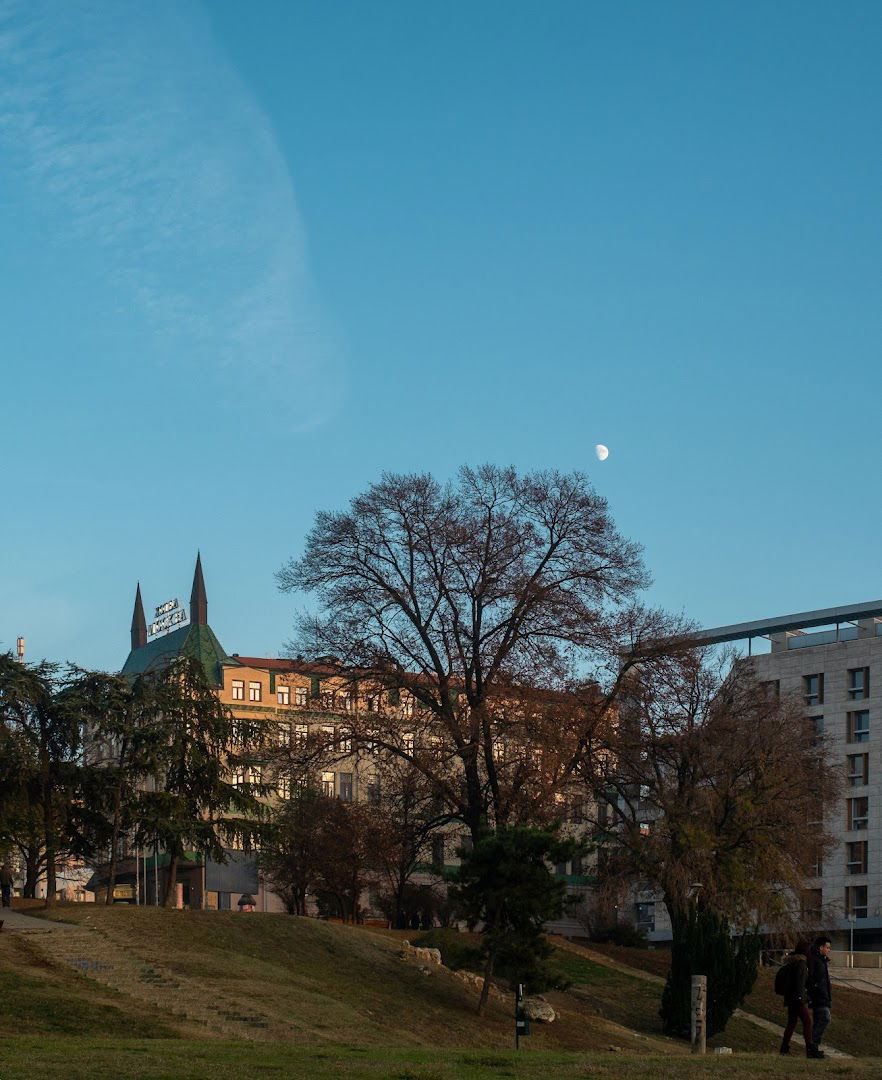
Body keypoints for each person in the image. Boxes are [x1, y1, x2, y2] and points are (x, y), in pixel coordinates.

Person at [779, 942, 816, 1057]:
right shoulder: (801, 964)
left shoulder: (792, 963)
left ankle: (784, 1048)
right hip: (797, 999)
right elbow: (800, 983)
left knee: (792, 1023)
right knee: (807, 1022)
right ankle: (809, 1048)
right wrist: (802, 998)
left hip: (791, 998)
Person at [808, 935, 833, 1059]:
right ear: (820, 947)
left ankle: (813, 1049)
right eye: (827, 947)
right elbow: (811, 979)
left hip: (823, 996)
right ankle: (813, 1046)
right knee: (825, 1018)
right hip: (819, 997)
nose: (829, 950)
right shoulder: (815, 960)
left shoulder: (822, 961)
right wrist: (817, 991)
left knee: (818, 1021)